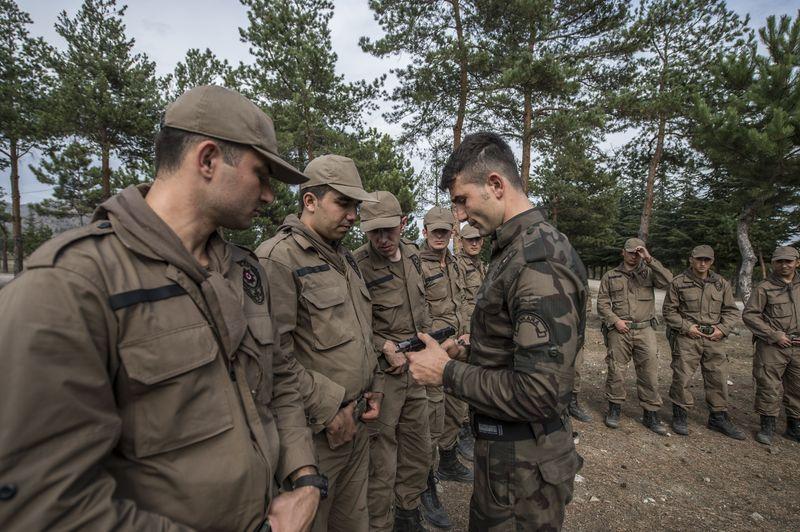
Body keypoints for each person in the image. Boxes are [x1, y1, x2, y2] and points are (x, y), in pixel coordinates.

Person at [0, 85, 320, 531]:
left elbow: (280, 380)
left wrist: (304, 478)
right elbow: (45, 504)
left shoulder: (246, 273)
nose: (269, 195)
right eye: (261, 174)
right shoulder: (71, 285)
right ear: (207, 159)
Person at [407, 132, 586, 531]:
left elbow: (540, 393)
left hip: (524, 469)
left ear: (495, 185)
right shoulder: (515, 249)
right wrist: (473, 351)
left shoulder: (537, 261)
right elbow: (521, 350)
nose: (459, 217)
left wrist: (445, 373)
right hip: (508, 456)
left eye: (461, 200)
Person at [256, 154, 383, 532]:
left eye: (356, 207)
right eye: (343, 203)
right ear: (309, 201)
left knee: (353, 522)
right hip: (315, 436)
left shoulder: (344, 259)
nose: (353, 216)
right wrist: (329, 410)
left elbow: (360, 332)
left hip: (356, 421)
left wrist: (372, 385)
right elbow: (273, 358)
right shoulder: (278, 259)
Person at [354, 191, 431, 532]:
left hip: (417, 371)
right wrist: (383, 344)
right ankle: (380, 524)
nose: (383, 239)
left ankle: (408, 512)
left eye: (389, 230)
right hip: (382, 378)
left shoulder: (414, 255)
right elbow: (352, 325)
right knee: (381, 462)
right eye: (374, 232)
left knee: (418, 449)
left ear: (402, 223)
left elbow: (423, 308)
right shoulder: (357, 265)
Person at [418, 206, 471, 530]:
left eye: (445, 231)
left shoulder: (454, 262)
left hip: (459, 350)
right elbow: (418, 314)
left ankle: (448, 462)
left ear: (452, 233)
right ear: (425, 232)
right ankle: (424, 486)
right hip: (434, 352)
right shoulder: (415, 265)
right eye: (434, 231)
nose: (440, 236)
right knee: (429, 425)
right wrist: (438, 345)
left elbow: (462, 301)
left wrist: (466, 333)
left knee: (455, 410)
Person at [662, 245, 745, 440]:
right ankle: (680, 415)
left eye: (707, 260)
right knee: (682, 377)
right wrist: (686, 327)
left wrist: (722, 329)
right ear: (691, 259)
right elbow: (669, 311)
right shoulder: (678, 282)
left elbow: (731, 311)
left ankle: (718, 417)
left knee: (717, 377)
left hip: (714, 339)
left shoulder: (721, 284)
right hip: (687, 337)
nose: (702, 263)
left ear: (712, 261)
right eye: (699, 259)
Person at [597, 238, 673, 434]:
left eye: (637, 252)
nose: (634, 256)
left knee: (649, 372)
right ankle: (614, 409)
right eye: (630, 252)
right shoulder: (610, 276)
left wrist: (649, 259)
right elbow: (603, 304)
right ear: (623, 252)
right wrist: (615, 321)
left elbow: (669, 282)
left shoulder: (649, 272)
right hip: (619, 330)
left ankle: (651, 414)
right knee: (616, 370)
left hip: (645, 330)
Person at [742, 245, 800, 445]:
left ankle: (794, 427)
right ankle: (767, 427)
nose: (784, 265)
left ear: (797, 262)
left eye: (788, 261)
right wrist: (774, 335)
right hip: (772, 347)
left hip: (798, 347)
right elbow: (750, 315)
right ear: (773, 263)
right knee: (769, 386)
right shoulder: (764, 288)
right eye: (780, 261)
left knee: (797, 387)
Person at [453, 224, 486, 458]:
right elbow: (459, 300)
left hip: (483, 330)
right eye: (469, 240)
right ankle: (462, 429)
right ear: (461, 241)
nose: (474, 243)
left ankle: (475, 424)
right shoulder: (458, 266)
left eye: (477, 240)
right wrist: (466, 331)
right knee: (464, 379)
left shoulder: (481, 266)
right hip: (467, 332)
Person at [569, 294, 595, 423]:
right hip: (551, 325)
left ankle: (572, 403)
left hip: (575, 328)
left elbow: (586, 303)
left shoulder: (578, 276)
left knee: (576, 367)